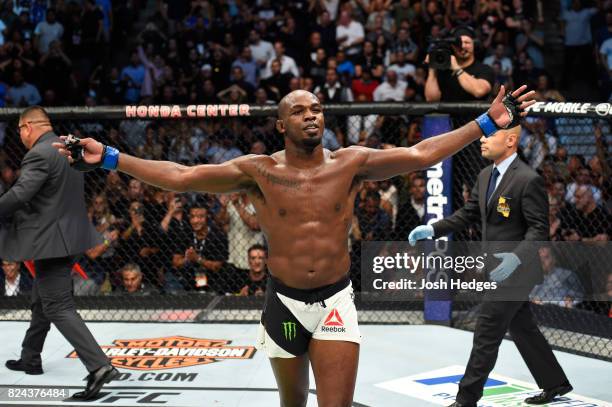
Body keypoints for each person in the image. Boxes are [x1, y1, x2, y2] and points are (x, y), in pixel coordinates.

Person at [54, 85, 534, 407]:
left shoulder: (351, 162)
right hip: (281, 302)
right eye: (300, 111)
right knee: (291, 405)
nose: (312, 115)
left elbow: (420, 153)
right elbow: (181, 177)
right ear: (281, 124)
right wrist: (111, 158)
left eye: (317, 109)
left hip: (333, 303)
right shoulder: (258, 170)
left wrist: (485, 123)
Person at [409, 125, 572, 406]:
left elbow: (538, 229)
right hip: (496, 269)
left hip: (517, 273)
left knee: (486, 331)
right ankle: (555, 383)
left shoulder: (528, 179)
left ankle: (466, 399)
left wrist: (516, 257)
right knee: (523, 328)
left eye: (490, 135)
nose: (482, 139)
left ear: (510, 141)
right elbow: (468, 214)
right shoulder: (486, 175)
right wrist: (433, 229)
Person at [0, 106, 118, 399]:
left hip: (52, 240)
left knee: (57, 305)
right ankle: (31, 356)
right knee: (42, 298)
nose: (20, 136)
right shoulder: (66, 146)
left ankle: (99, 366)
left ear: (27, 127)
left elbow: (21, 193)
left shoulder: (40, 153)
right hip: (71, 234)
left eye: (19, 130)